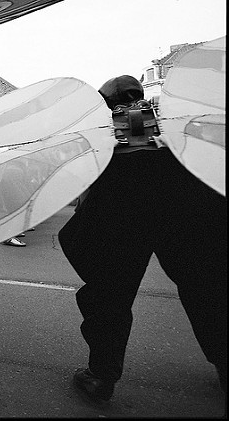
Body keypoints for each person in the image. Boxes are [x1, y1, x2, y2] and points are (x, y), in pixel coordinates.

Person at [59, 75, 227, 403]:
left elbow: (75, 188)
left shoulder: (104, 141)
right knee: (207, 288)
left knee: (108, 297)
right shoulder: (173, 132)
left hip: (118, 217)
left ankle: (101, 376)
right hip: (181, 210)